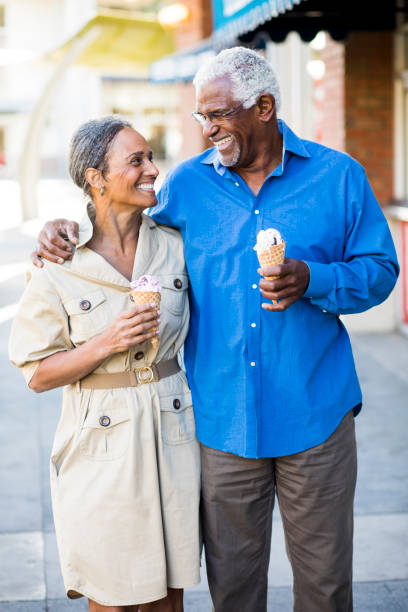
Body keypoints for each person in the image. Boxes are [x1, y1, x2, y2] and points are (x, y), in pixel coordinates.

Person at [32, 48, 399, 612]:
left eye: (218, 115)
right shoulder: (188, 185)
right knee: (233, 591)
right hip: (222, 424)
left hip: (316, 415)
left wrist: (315, 278)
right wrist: (63, 228)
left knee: (325, 588)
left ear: (265, 107)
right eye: (202, 117)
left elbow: (380, 271)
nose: (207, 129)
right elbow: (125, 224)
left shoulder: (338, 176)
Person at [10, 116, 201, 612]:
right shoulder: (59, 263)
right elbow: (35, 373)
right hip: (99, 440)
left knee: (169, 594)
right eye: (136, 160)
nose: (153, 170)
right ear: (95, 177)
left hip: (172, 430)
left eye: (151, 157)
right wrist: (104, 344)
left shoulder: (175, 247)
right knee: (112, 598)